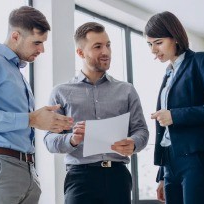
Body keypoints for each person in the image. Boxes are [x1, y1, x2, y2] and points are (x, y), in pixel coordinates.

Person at [0, 6, 73, 204]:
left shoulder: (17, 74)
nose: (42, 49)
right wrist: (31, 119)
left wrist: (47, 122)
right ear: (15, 36)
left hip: (27, 171)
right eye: (37, 42)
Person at [43, 22, 149, 204]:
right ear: (80, 53)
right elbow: (49, 140)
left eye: (108, 45)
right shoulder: (60, 92)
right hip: (80, 178)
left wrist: (133, 143)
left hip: (118, 177)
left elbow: (141, 131)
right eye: (97, 46)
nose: (106, 52)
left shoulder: (126, 90)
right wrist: (72, 140)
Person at [145, 11, 204, 204]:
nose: (153, 50)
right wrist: (163, 174)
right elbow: (166, 135)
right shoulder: (168, 74)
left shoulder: (202, 61)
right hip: (170, 162)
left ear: (175, 37)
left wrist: (174, 116)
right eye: (149, 44)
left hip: (197, 159)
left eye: (158, 42)